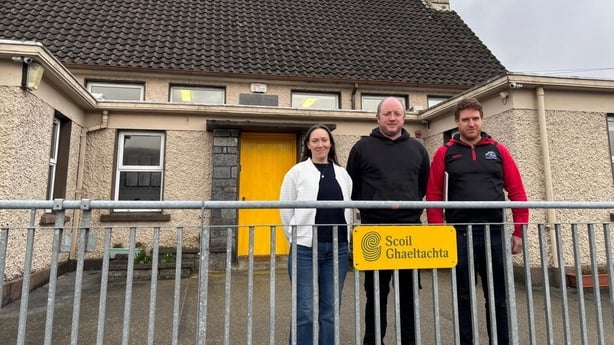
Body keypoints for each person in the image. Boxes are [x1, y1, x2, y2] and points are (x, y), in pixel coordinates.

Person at [425, 97, 529, 345]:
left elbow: (517, 192)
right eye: (465, 120)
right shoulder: (445, 152)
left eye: (475, 119)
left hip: (494, 233)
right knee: (463, 296)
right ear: (456, 123)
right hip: (459, 235)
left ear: (482, 120)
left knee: (499, 297)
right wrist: (439, 232)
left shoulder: (499, 151)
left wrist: (519, 230)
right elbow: (434, 194)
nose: (471, 124)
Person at [346, 97, 430, 345]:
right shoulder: (362, 148)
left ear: (404, 117)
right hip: (374, 231)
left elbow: (422, 186)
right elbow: (353, 186)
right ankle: (373, 341)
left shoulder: (418, 149)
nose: (392, 118)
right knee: (375, 294)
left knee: (408, 295)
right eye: (387, 114)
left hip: (409, 232)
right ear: (378, 118)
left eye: (397, 113)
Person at [280, 124, 353, 345]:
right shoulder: (297, 172)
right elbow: (285, 209)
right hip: (304, 250)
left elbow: (348, 208)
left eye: (324, 140)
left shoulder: (343, 174)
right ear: (308, 145)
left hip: (337, 249)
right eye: (315, 141)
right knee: (305, 310)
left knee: (330, 309)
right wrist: (296, 238)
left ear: (330, 144)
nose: (320, 144)